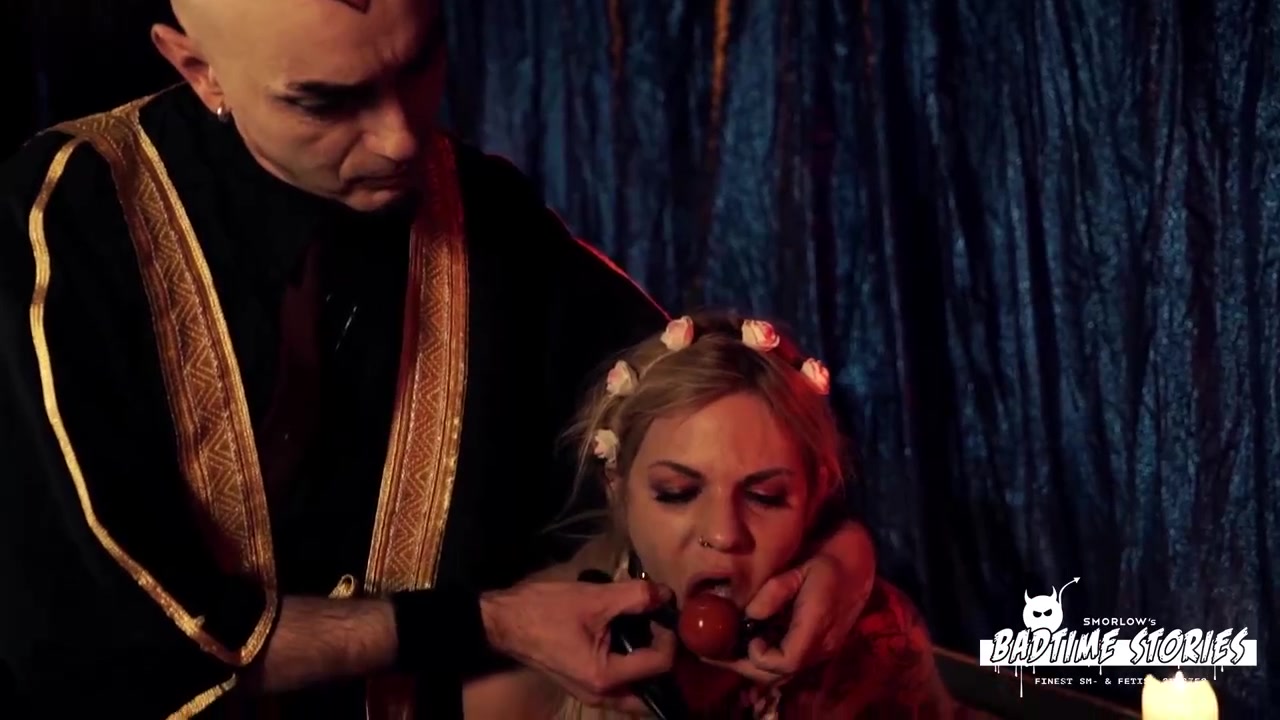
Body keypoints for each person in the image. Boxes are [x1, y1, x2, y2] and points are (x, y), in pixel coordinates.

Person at [0, 0, 879, 717]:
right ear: (200, 70)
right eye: (327, 102)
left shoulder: (487, 213)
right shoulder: (67, 224)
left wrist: (842, 552)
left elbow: (701, 402)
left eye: (418, 64)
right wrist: (487, 623)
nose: (401, 139)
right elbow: (115, 639)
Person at [467, 312, 954, 718]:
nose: (723, 534)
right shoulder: (532, 677)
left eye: (765, 497)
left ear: (816, 495)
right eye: (677, 493)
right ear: (616, 487)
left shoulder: (880, 646)